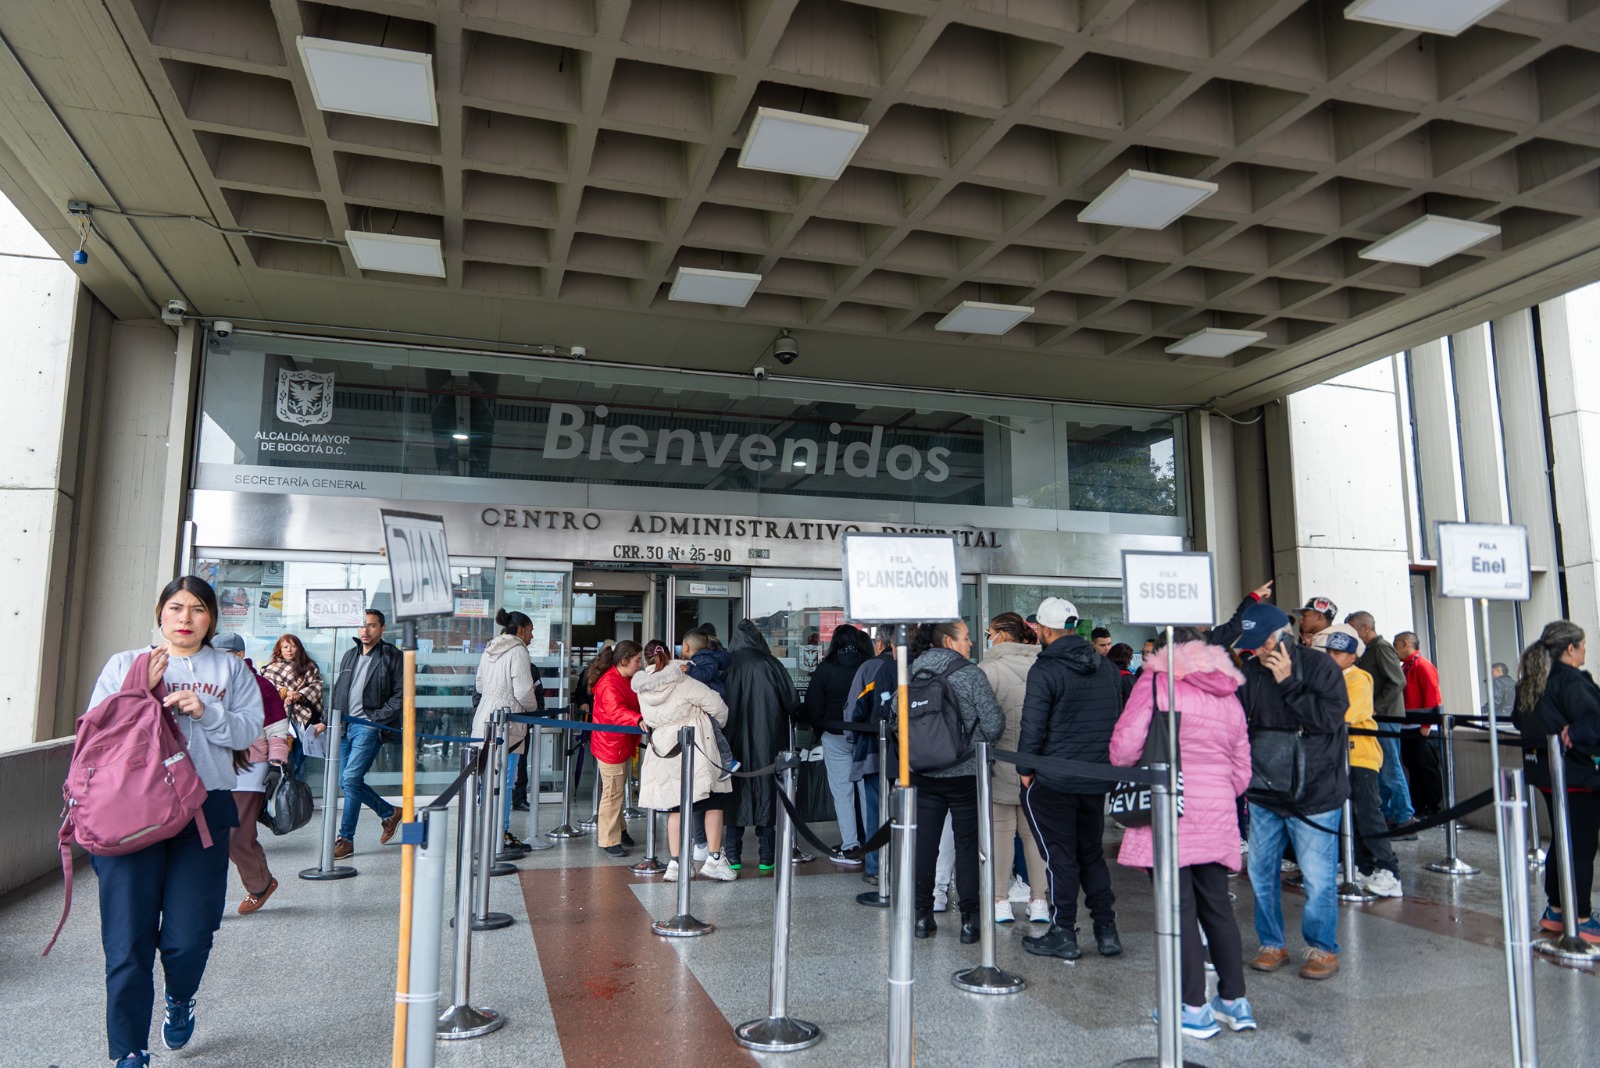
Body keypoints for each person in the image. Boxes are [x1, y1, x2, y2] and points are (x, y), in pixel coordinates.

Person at [86, 577, 263, 1067]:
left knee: (189, 936)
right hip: (130, 812)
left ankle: (180, 997)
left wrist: (206, 711)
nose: (186, 618)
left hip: (203, 810)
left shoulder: (230, 669)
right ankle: (128, 1051)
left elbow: (249, 730)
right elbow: (93, 732)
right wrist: (136, 693)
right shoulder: (125, 664)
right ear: (160, 613)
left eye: (198, 609)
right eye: (176, 608)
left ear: (211, 619)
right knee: (127, 939)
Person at [1111, 629, 1255, 1039]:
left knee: (1179, 911)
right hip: (1217, 811)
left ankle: (1192, 1006)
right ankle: (1234, 1001)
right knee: (1217, 908)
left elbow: (1123, 749)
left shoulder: (1157, 681)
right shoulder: (1226, 690)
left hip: (1168, 806)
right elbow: (1242, 764)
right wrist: (1218, 791)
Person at [1212, 593, 1349, 981]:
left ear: (1284, 636)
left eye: (1264, 644)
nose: (1257, 653)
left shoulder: (1321, 667)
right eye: (1251, 647)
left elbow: (1328, 720)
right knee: (1260, 872)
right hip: (1264, 791)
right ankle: (1272, 943)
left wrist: (1288, 682)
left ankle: (1322, 949)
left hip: (1315, 793)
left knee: (1319, 877)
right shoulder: (1250, 672)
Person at [1017, 598, 1124, 960]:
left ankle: (1063, 931)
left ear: (1045, 630)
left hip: (1055, 779)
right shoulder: (1105, 667)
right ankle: (1106, 930)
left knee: (1060, 857)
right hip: (1094, 779)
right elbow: (1115, 719)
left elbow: (1032, 726)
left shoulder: (1045, 669)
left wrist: (1025, 771)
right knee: (1091, 853)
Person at [901, 621, 1003, 943]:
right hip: (964, 775)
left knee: (925, 844)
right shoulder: (970, 674)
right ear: (948, 641)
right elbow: (994, 723)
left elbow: (895, 715)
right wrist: (966, 749)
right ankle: (970, 921)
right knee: (967, 845)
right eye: (967, 638)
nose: (971, 644)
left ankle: (922, 916)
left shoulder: (911, 672)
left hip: (923, 773)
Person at [1515, 621, 1600, 941]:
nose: (1585, 651)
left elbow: (1517, 718)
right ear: (1570, 648)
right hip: (1578, 773)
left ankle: (1556, 909)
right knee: (1581, 845)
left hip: (1544, 772)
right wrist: (1574, 732)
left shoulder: (1531, 680)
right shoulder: (1572, 682)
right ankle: (1579, 916)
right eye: (1582, 646)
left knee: (1563, 838)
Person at [1312, 625, 1402, 898]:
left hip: (1360, 756)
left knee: (1368, 814)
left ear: (1352, 656)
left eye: (1338, 653)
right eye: (1329, 651)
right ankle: (1362, 867)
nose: (1332, 657)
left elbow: (1346, 713)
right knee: (1350, 815)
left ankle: (1390, 871)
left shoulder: (1359, 679)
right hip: (1339, 756)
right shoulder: (1330, 679)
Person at [635, 646, 735, 881]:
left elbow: (648, 719)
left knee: (675, 806)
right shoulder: (683, 680)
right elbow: (718, 706)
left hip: (664, 748)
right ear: (669, 656)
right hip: (695, 742)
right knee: (713, 801)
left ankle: (677, 863)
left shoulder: (642, 687)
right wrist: (712, 725)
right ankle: (714, 860)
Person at [975, 612, 1050, 924]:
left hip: (1000, 762)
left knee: (1001, 835)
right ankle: (1040, 902)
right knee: (1034, 836)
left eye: (990, 632)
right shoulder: (1043, 666)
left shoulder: (987, 670)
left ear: (1002, 635)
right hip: (1039, 764)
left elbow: (980, 720)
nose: (987, 637)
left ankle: (1001, 901)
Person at [212, 632, 291, 916]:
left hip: (251, 766)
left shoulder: (260, 686)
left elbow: (278, 729)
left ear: (237, 656)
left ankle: (260, 885)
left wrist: (276, 765)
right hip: (212, 767)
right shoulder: (207, 685)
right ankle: (206, 900)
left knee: (237, 835)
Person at [722, 619, 801, 870]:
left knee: (733, 792)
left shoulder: (727, 664)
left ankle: (733, 856)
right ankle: (767, 857)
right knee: (767, 791)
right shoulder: (771, 664)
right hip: (769, 738)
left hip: (732, 740)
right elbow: (792, 701)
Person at [329, 609, 404, 859]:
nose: (365, 630)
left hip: (369, 727)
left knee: (350, 780)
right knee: (347, 783)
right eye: (362, 626)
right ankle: (389, 813)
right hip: (345, 727)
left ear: (382, 629)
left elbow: (401, 694)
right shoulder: (349, 655)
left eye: (372, 626)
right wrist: (329, 721)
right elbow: (339, 690)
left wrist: (376, 720)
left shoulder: (392, 656)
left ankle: (345, 839)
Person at [803, 624, 875, 866]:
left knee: (842, 793)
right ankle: (872, 846)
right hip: (865, 735)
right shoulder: (867, 666)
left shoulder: (826, 668)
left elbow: (813, 707)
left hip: (834, 735)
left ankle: (851, 846)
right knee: (867, 792)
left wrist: (820, 727)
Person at [475, 608, 541, 851]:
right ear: (521, 630)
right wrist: (532, 710)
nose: (532, 637)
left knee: (488, 780)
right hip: (508, 724)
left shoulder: (489, 649)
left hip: (483, 720)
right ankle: (499, 835)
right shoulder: (518, 650)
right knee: (504, 781)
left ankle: (489, 831)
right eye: (531, 632)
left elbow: (480, 685)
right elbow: (524, 691)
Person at [1346, 612, 1414, 837]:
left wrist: (1377, 706)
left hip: (1386, 718)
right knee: (1381, 767)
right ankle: (1387, 814)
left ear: (1365, 628)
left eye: (1354, 629)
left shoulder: (1382, 648)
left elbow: (1397, 681)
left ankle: (1405, 817)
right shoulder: (1369, 651)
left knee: (1391, 767)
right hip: (1377, 719)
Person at [847, 627, 897, 885]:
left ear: (881, 643)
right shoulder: (918, 664)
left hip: (875, 751)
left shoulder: (870, 668)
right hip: (911, 755)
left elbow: (854, 710)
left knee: (876, 809)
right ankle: (906, 865)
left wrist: (853, 743)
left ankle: (876, 868)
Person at [588, 641, 645, 856]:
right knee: (613, 792)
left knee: (617, 790)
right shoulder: (610, 683)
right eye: (637, 660)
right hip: (611, 745)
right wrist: (639, 718)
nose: (640, 664)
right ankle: (609, 839)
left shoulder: (623, 678)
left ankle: (620, 830)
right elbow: (616, 712)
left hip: (619, 744)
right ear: (624, 661)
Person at [1394, 631, 1446, 816]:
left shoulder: (1422, 665)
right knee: (1413, 768)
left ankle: (1432, 807)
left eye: (1396, 645)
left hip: (1422, 727)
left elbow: (1432, 695)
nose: (1395, 649)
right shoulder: (1405, 666)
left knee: (1427, 769)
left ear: (1405, 643)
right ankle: (1418, 804)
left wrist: (1426, 724)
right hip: (1408, 725)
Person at [260, 633, 322, 782]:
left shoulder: (309, 667)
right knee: (280, 757)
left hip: (302, 720)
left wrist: (299, 695)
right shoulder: (270, 669)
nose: (289, 650)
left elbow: (317, 686)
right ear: (279, 650)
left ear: (299, 648)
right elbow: (267, 689)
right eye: (285, 647)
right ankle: (279, 794)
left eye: (293, 646)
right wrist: (285, 693)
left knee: (299, 759)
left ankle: (295, 795)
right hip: (279, 718)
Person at [682, 627, 738, 779]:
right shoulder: (702, 658)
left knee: (714, 731)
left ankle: (728, 761)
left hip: (712, 701)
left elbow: (705, 675)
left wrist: (688, 670)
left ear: (686, 646)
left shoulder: (704, 659)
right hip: (709, 701)